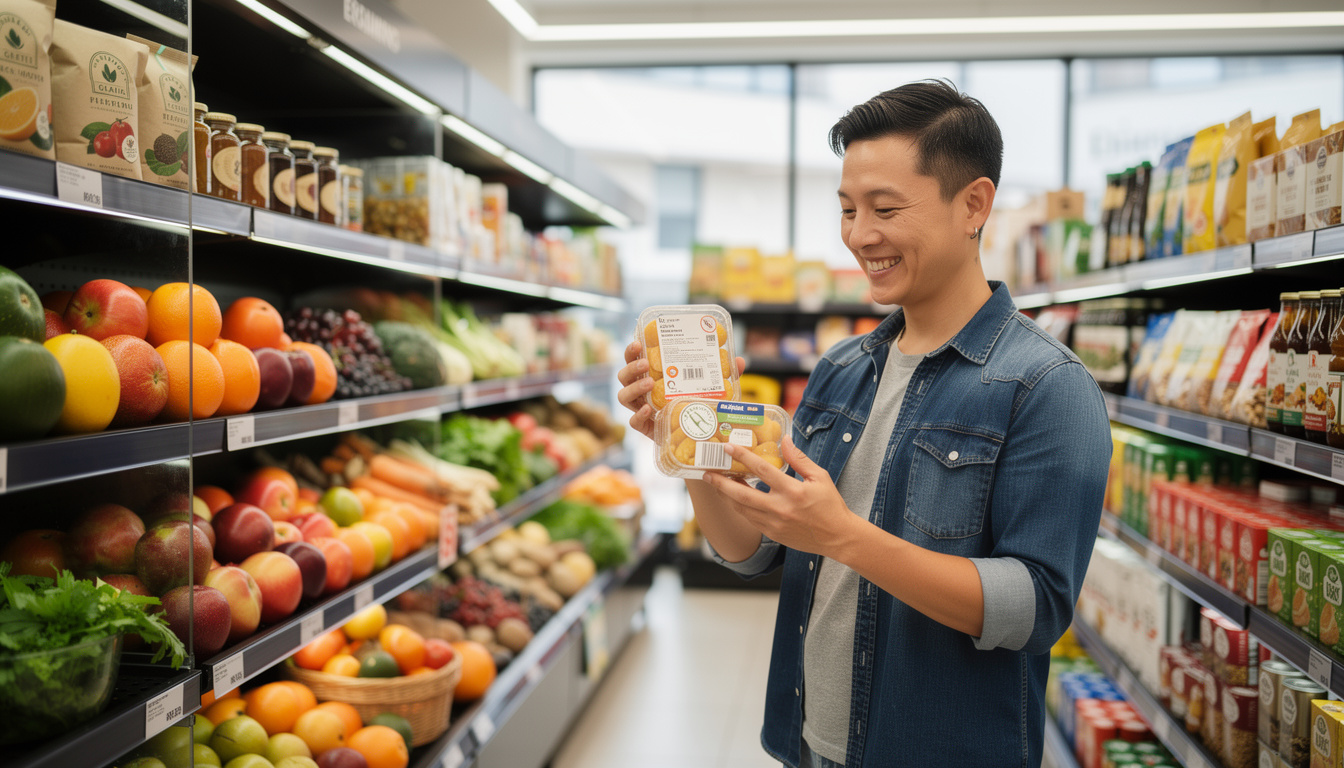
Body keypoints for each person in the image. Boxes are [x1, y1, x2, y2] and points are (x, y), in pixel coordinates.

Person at [617, 79, 1112, 768]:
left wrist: (845, 537)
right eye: (848, 209)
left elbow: (1033, 609)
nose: (858, 235)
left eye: (884, 208)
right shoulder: (842, 368)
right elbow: (751, 550)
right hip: (812, 744)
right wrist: (686, 444)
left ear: (974, 204)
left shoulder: (1047, 388)